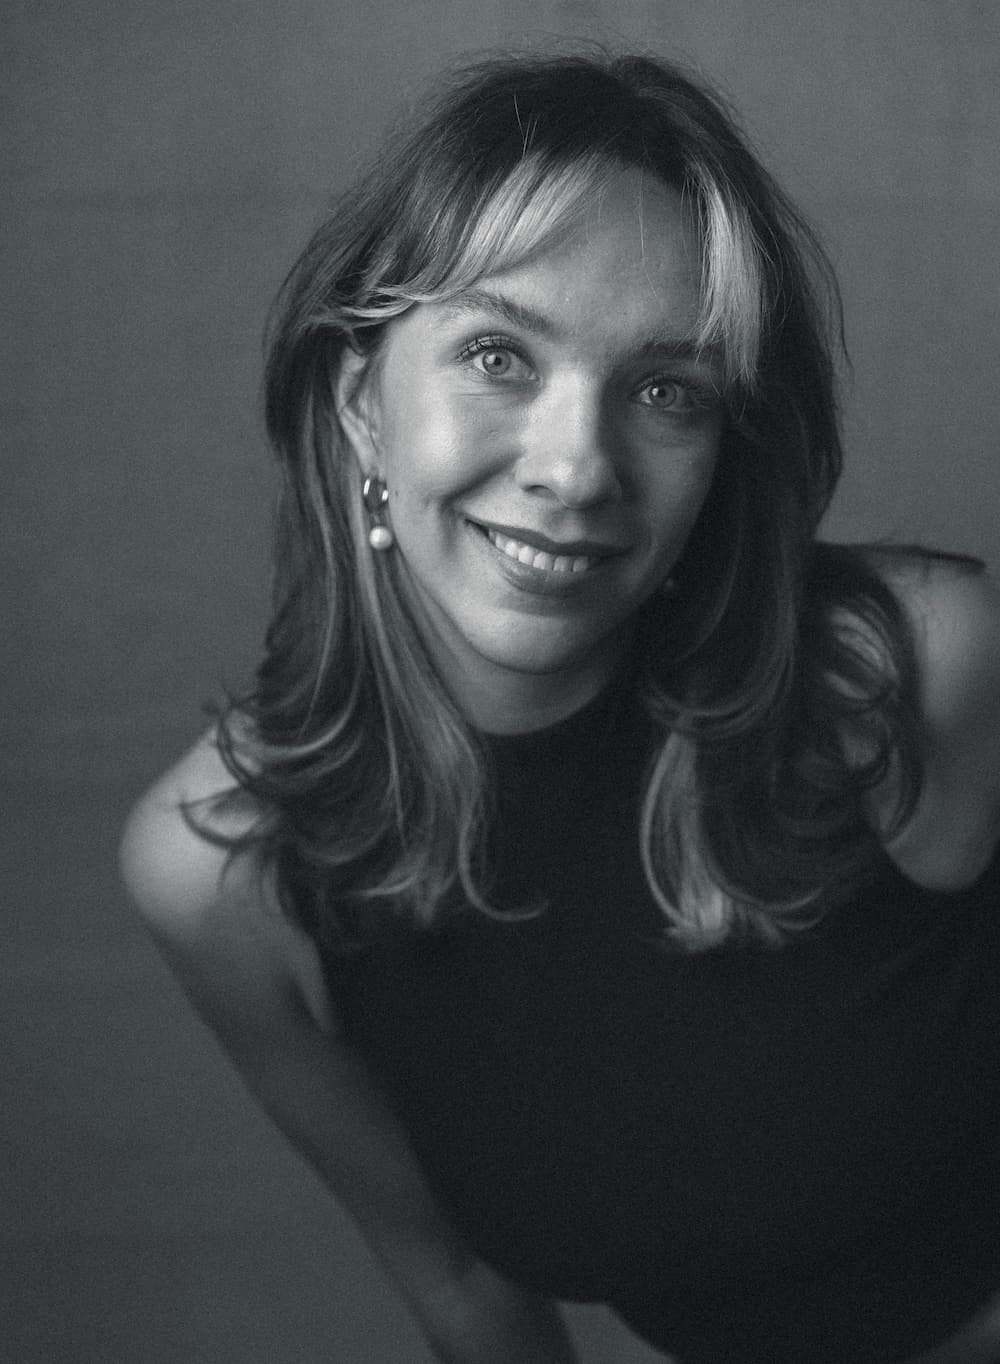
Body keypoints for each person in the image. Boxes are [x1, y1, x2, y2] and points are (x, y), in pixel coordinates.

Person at [119, 49, 1000, 1364]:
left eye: (665, 391)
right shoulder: (217, 868)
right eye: (497, 355)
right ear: (363, 401)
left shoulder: (907, 669)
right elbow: (465, 1290)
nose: (578, 469)